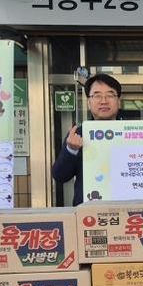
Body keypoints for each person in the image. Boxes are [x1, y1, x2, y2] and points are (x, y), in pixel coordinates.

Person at [52, 73, 122, 206]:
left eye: (110, 95)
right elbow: (60, 176)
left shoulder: (133, 132)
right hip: (89, 212)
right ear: (89, 102)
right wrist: (71, 150)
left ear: (119, 101)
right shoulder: (78, 134)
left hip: (127, 209)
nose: (104, 101)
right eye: (97, 95)